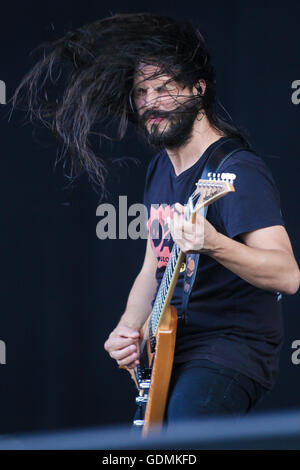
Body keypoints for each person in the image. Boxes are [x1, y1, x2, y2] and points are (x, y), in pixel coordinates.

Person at [11, 13, 300, 425]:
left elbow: (287, 275)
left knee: (179, 444)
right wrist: (128, 331)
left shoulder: (237, 170)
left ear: (198, 89)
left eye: (164, 88)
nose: (150, 101)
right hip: (170, 346)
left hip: (229, 348)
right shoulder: (160, 170)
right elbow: (155, 264)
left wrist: (214, 242)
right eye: (142, 91)